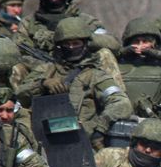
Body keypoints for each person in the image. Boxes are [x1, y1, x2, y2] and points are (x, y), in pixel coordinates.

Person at [18, 17, 132, 146]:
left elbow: (121, 103)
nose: (71, 47)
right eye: (67, 44)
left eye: (76, 43)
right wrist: (42, 84)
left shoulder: (95, 75)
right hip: (44, 143)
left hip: (82, 143)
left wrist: (101, 128)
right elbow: (20, 95)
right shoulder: (46, 69)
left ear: (85, 44)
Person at [20, 0, 120, 55]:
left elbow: (113, 44)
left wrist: (80, 38)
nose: (54, 0)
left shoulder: (85, 21)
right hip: (40, 71)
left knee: (104, 55)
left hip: (81, 72)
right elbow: (18, 48)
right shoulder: (29, 24)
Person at [115, 16, 161, 115]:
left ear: (154, 43)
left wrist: (158, 55)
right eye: (136, 41)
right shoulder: (118, 65)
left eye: (145, 41)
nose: (141, 45)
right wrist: (122, 53)